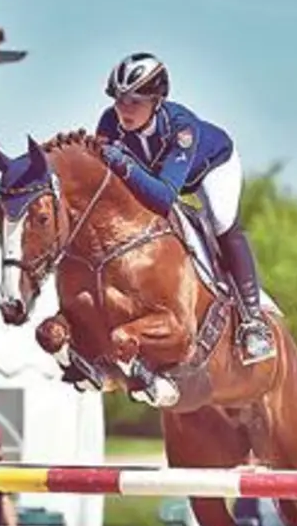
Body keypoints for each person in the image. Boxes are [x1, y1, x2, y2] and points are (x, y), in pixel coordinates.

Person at [94, 52, 275, 366]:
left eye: (134, 101)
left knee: (220, 221)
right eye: (119, 100)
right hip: (159, 175)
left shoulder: (181, 128)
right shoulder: (110, 122)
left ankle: (253, 321)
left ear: (157, 100)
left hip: (211, 167)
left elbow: (164, 196)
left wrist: (121, 162)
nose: (124, 110)